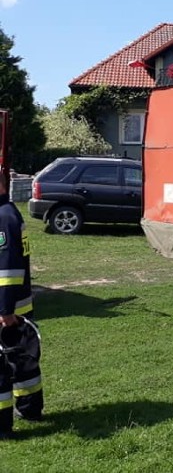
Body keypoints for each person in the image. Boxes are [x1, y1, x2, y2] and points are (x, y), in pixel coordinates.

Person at [0, 174, 44, 440]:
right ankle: (30, 409)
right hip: (18, 307)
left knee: (4, 366)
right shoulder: (8, 212)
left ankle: (2, 425)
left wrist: (5, 310)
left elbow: (7, 269)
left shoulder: (3, 218)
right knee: (23, 361)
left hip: (9, 311)